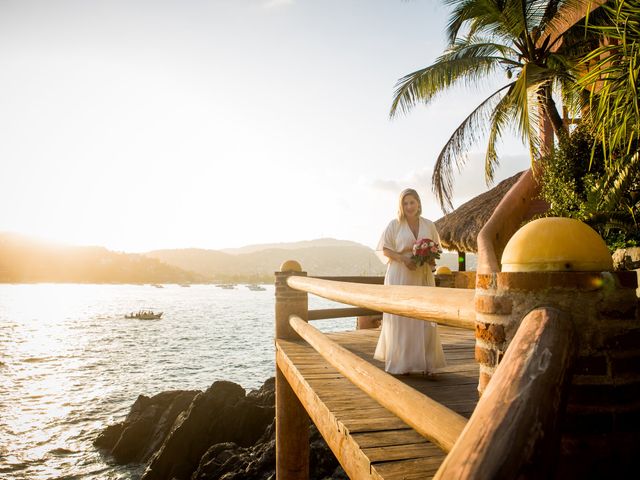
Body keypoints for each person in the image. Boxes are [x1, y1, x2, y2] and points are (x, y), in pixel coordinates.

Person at [373, 188, 446, 375]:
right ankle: (401, 363)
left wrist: (430, 260)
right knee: (402, 318)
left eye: (412, 202)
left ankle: (428, 364)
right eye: (405, 203)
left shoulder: (429, 225)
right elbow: (385, 250)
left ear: (418, 203)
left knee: (425, 317)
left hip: (422, 274)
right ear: (401, 206)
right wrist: (403, 259)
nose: (409, 206)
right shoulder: (395, 225)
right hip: (400, 273)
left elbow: (436, 249)